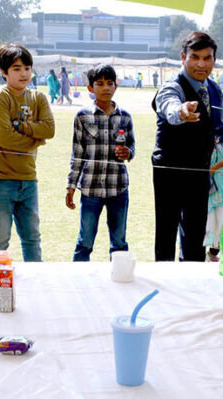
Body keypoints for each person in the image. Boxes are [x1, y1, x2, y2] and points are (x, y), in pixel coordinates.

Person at [152, 31, 223, 262]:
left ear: (214, 59)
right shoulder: (172, 86)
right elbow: (169, 106)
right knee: (166, 231)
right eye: (195, 57)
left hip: (201, 169)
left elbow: (222, 126)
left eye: (207, 58)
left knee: (195, 233)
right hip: (169, 169)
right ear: (183, 57)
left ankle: (191, 285)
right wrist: (182, 111)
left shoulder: (213, 89)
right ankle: (163, 284)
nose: (201, 64)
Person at [0, 44, 55, 262]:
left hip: (28, 178)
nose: (24, 74)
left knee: (32, 238)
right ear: (4, 72)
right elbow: (5, 139)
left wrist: (22, 127)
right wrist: (36, 139)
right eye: (17, 68)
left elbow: (49, 130)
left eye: (27, 68)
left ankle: (35, 283)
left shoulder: (38, 98)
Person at [66, 65, 135, 261]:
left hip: (118, 188)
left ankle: (120, 281)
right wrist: (71, 186)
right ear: (90, 88)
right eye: (100, 84)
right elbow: (77, 154)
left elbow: (132, 149)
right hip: (90, 190)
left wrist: (127, 152)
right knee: (85, 241)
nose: (105, 88)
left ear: (116, 86)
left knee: (119, 243)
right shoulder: (82, 116)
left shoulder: (125, 117)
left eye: (110, 83)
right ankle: (79, 282)